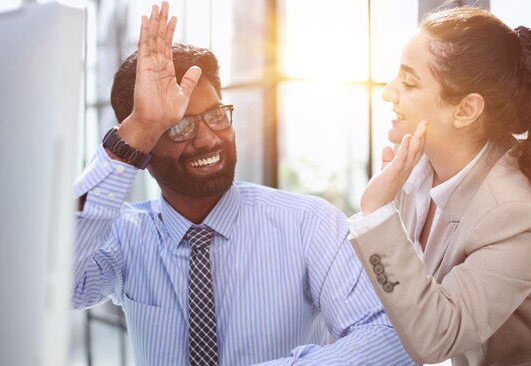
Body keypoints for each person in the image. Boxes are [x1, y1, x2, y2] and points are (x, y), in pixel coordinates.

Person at [73, 2, 414, 365]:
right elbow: (56, 284)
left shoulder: (309, 224)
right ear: (145, 145)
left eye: (216, 115)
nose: (207, 139)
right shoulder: (126, 237)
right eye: (178, 125)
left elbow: (387, 340)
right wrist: (138, 128)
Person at [348, 6, 531, 366]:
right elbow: (402, 300)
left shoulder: (517, 209)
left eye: (409, 82)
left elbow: (436, 336)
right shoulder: (413, 170)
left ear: (465, 110)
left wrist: (376, 214)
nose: (387, 92)